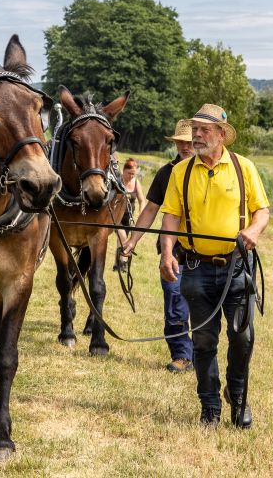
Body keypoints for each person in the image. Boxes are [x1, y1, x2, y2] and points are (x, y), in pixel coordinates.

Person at [157, 104, 270, 430]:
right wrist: (167, 253)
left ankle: (237, 394)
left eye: (204, 130)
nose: (197, 135)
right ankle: (209, 408)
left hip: (237, 268)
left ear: (221, 134)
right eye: (195, 129)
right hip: (196, 269)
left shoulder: (243, 167)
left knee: (242, 338)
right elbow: (171, 217)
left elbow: (262, 211)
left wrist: (253, 231)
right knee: (204, 342)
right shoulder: (181, 172)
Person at [120, 120, 195, 374]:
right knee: (174, 301)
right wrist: (132, 240)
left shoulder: (209, 173)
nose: (185, 146)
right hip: (174, 251)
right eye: (180, 142)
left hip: (206, 252)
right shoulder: (166, 173)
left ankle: (202, 355)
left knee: (202, 306)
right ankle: (182, 355)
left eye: (189, 142)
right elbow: (151, 208)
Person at [113, 158, 144, 272]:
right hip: (116, 217)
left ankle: (117, 264)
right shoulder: (117, 181)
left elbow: (142, 200)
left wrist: (141, 213)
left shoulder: (136, 182)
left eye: (133, 174)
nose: (131, 176)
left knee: (122, 240)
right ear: (123, 170)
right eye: (129, 173)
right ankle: (123, 263)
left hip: (129, 217)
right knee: (123, 238)